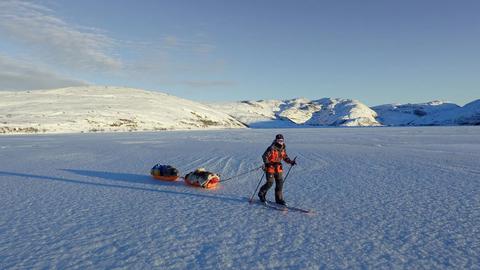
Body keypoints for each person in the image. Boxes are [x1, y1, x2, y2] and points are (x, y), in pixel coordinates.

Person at [258, 134, 296, 205]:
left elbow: (284, 157)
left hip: (278, 168)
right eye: (279, 140)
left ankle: (279, 199)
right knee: (270, 183)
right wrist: (267, 163)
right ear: (276, 140)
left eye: (282, 140)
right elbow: (264, 156)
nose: (280, 142)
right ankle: (261, 194)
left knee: (280, 183)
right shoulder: (271, 148)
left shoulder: (283, 148)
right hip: (270, 168)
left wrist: (290, 162)